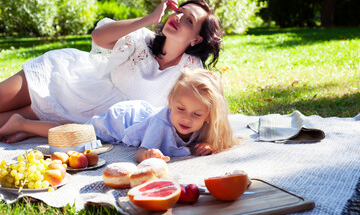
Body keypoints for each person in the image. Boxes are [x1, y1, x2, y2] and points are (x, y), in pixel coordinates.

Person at [0, 0, 223, 133]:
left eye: (189, 21)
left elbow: (208, 107)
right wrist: (149, 19)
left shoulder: (190, 70)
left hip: (82, 116)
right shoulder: (142, 40)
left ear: (196, 39)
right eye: (179, 12)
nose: (178, 18)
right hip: (66, 80)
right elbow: (98, 37)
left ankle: (25, 129)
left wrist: (208, 142)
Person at [0, 68, 238, 163]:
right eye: (179, 109)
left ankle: (26, 127)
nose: (186, 118)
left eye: (197, 114)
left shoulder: (204, 124)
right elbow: (141, 154)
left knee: (75, 129)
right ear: (170, 103)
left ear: (208, 116)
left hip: (136, 114)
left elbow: (209, 139)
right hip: (121, 121)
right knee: (75, 134)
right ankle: (22, 123)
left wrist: (207, 144)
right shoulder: (161, 123)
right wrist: (149, 154)